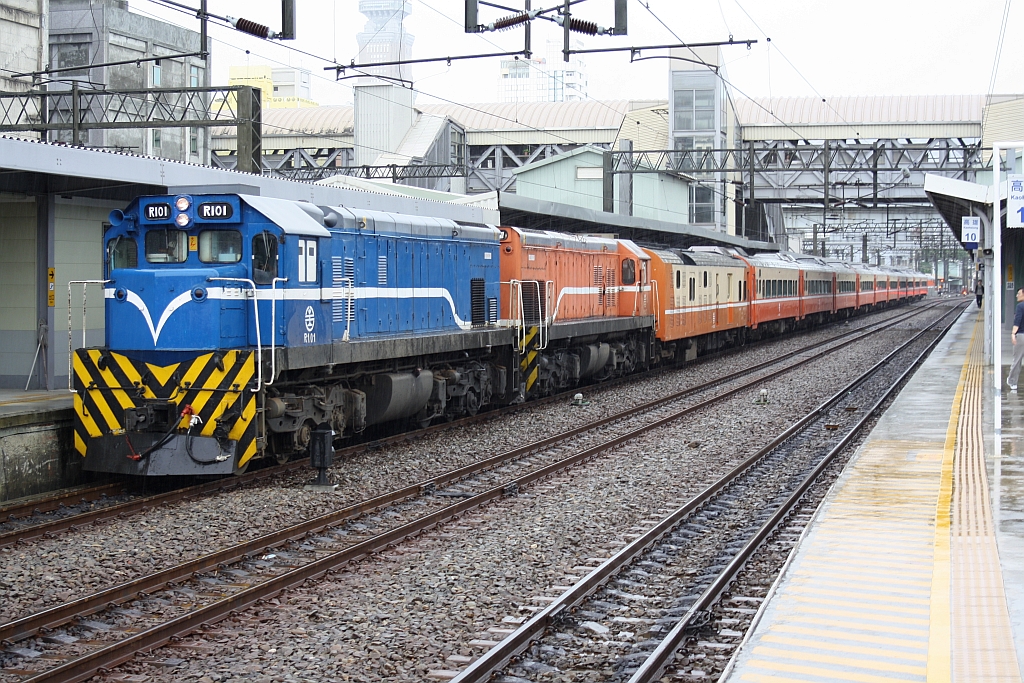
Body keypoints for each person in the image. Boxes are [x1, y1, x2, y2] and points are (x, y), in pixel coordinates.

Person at [1008, 288, 1024, 393]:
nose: (1016, 295)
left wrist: (1013, 334)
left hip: (1021, 335)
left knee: (1017, 360)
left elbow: (1017, 320)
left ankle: (1012, 382)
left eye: (1018, 294)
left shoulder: (1020, 306)